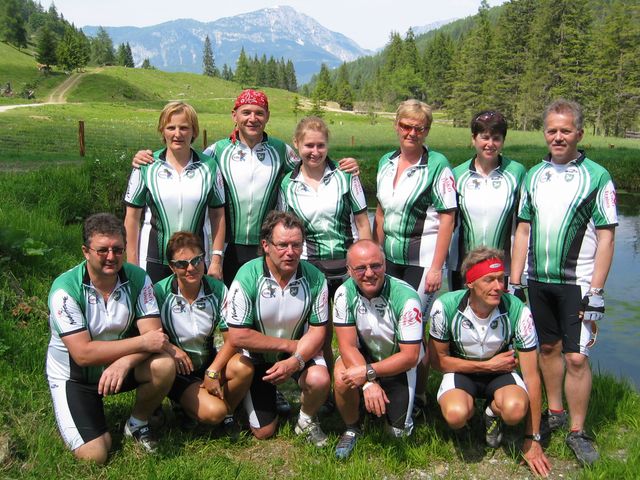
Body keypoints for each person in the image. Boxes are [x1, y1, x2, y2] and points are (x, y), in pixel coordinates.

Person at [132, 90, 359, 286]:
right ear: (235, 115)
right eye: (246, 112)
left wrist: (342, 166)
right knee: (225, 304)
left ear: (267, 116)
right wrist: (146, 156)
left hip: (265, 246)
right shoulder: (217, 151)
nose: (252, 118)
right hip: (227, 246)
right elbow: (188, 160)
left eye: (259, 113)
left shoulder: (280, 150)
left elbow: (311, 162)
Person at [511, 99, 617, 467]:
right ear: (545, 133)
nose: (558, 137)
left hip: (579, 282)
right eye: (552, 130)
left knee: (576, 356)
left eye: (566, 131)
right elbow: (523, 231)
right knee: (548, 349)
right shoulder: (533, 175)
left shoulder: (597, 176)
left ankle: (577, 430)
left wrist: (597, 291)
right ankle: (554, 412)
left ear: (579, 134)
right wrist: (515, 281)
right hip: (538, 280)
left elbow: (607, 237)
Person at [46, 213, 175, 464]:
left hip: (119, 367)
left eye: (118, 249)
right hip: (75, 377)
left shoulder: (139, 278)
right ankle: (83, 416)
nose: (111, 256)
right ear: (86, 252)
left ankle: (137, 423)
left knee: (163, 365)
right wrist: (140, 343)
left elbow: (155, 338)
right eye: (102, 250)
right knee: (95, 455)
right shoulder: (65, 290)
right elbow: (83, 354)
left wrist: (125, 361)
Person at [429, 247, 551, 477]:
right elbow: (438, 362)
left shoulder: (518, 310)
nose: (498, 287)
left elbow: (532, 376)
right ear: (470, 283)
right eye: (489, 280)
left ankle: (491, 413)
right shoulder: (444, 306)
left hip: (500, 373)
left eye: (500, 279)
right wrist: (486, 366)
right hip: (462, 371)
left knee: (515, 410)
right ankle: (468, 417)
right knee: (455, 414)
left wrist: (533, 439)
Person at [373, 99, 457, 411]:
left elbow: (448, 217)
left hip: (422, 260)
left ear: (427, 131)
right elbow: (380, 212)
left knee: (413, 326)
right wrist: (376, 253)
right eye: (406, 126)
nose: (411, 133)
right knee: (389, 323)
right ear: (396, 126)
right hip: (390, 258)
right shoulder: (386, 161)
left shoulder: (437, 165)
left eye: (419, 128)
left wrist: (436, 268)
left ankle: (418, 396)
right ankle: (391, 387)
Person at [278, 116, 372, 393]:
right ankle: (328, 390)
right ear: (297, 145)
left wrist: (365, 262)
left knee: (355, 332)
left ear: (328, 145)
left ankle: (359, 386)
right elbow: (287, 229)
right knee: (319, 335)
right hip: (310, 266)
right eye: (309, 145)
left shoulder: (346, 176)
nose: (315, 151)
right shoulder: (288, 184)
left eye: (320, 145)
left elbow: (363, 222)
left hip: (348, 267)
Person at [224, 211, 331, 446]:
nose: (290, 252)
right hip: (258, 359)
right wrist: (289, 345)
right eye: (282, 245)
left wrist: (296, 360)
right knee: (264, 432)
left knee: (319, 379)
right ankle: (246, 400)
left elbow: (318, 332)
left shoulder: (315, 277)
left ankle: (306, 420)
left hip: (297, 355)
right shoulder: (247, 275)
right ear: (266, 245)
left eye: (296, 245)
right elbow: (238, 335)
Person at [153, 231, 253, 433]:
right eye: (182, 264)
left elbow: (232, 339)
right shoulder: (159, 292)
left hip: (208, 361)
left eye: (197, 260)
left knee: (244, 366)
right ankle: (191, 406)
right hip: (178, 371)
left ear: (204, 258)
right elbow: (151, 338)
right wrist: (171, 349)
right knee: (213, 412)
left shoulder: (218, 289)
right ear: (172, 267)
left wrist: (213, 370)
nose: (191, 268)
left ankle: (228, 414)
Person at [332, 240, 423, 459]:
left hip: (398, 363)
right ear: (349, 270)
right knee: (342, 376)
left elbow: (410, 357)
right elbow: (346, 345)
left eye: (376, 266)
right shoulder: (343, 293)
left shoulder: (407, 298)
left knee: (397, 435)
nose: (369, 273)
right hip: (364, 357)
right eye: (360, 268)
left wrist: (368, 373)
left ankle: (413, 401)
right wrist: (368, 383)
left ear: (385, 265)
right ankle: (352, 427)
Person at [124, 101, 226, 283]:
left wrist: (216, 260)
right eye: (171, 127)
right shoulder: (146, 165)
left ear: (194, 131)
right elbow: (132, 218)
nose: (177, 134)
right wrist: (132, 263)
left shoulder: (209, 166)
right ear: (162, 131)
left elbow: (218, 215)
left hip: (195, 261)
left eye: (184, 128)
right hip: (153, 260)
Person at [448, 111, 526, 292]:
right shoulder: (457, 174)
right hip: (462, 266)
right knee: (462, 310)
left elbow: (524, 226)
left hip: (503, 269)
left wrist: (518, 273)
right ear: (473, 139)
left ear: (503, 141)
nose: (490, 144)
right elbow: (448, 223)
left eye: (496, 138)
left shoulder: (517, 172)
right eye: (484, 137)